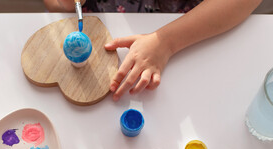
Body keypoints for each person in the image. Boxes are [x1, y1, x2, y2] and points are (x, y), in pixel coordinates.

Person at [44, 0, 263, 101]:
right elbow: (55, 5)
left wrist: (166, 42)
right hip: (105, 15)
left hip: (194, 25)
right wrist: (64, 3)